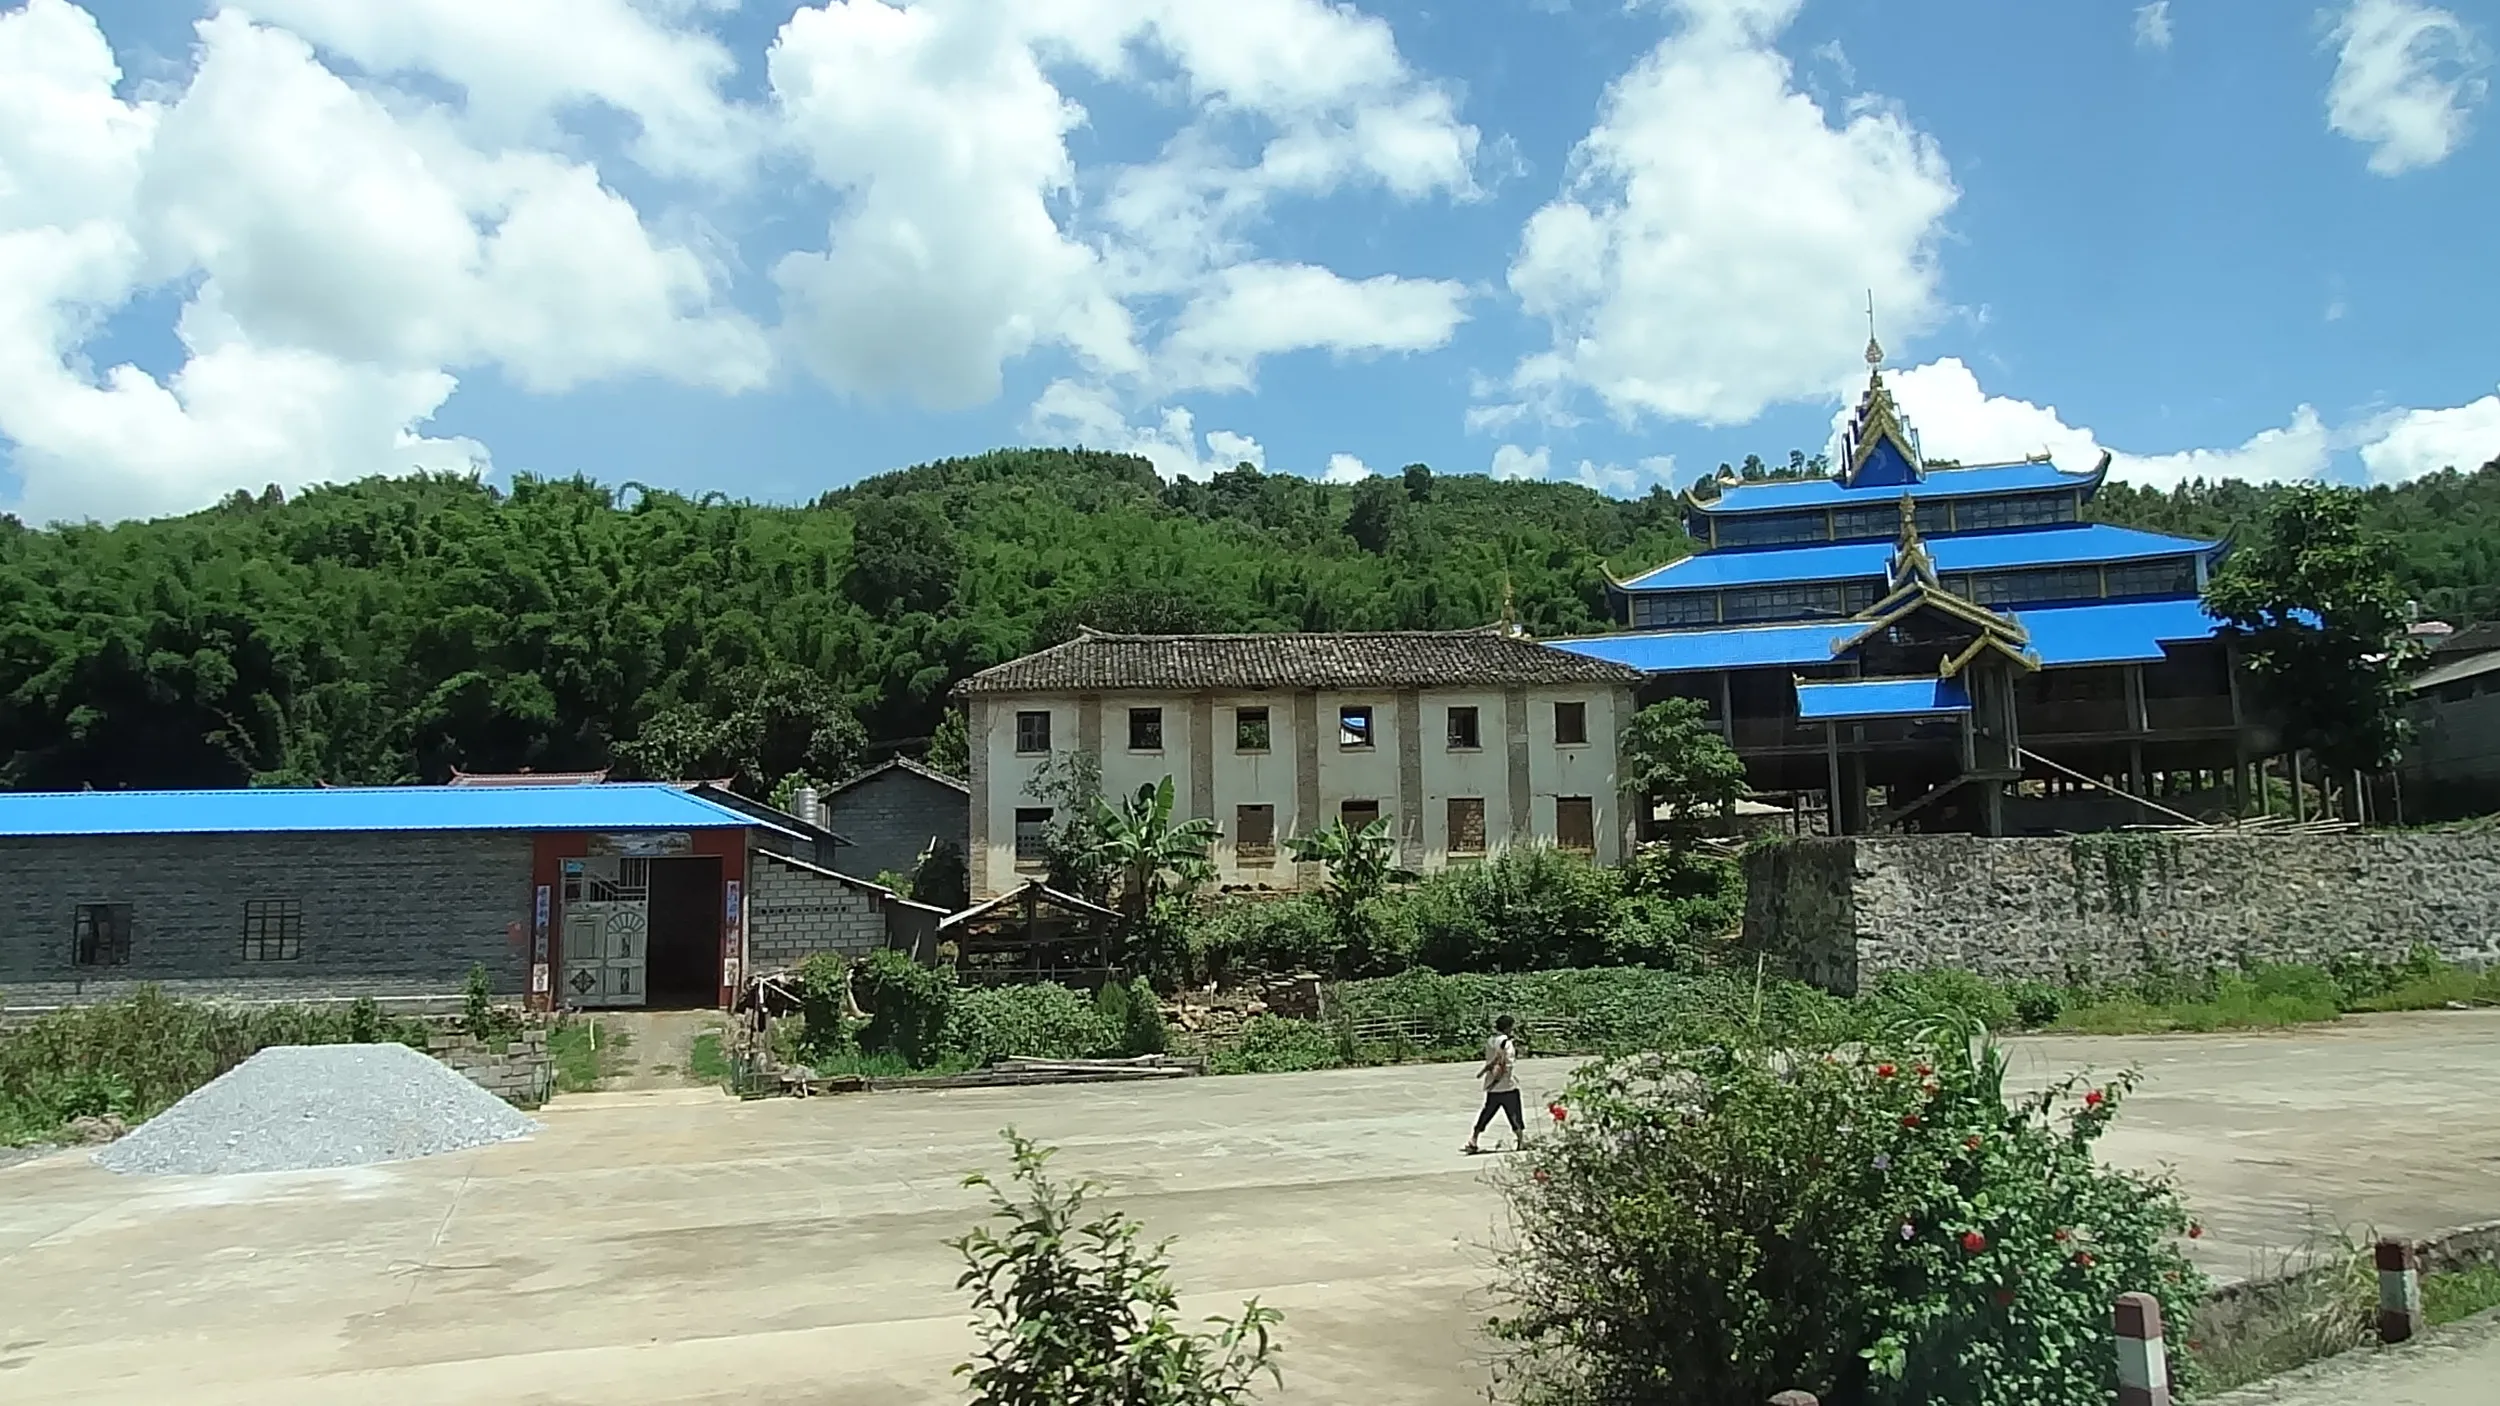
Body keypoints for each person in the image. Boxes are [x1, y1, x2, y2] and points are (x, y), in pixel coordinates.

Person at [1465, 1014, 1524, 1154]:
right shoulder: (1506, 1043)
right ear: (1508, 1028)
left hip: (1492, 1085)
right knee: (1514, 1113)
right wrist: (1506, 1077)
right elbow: (1509, 1063)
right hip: (1507, 1085)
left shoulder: (1490, 1041)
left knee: (1487, 1113)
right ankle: (1521, 1141)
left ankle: (1474, 1138)